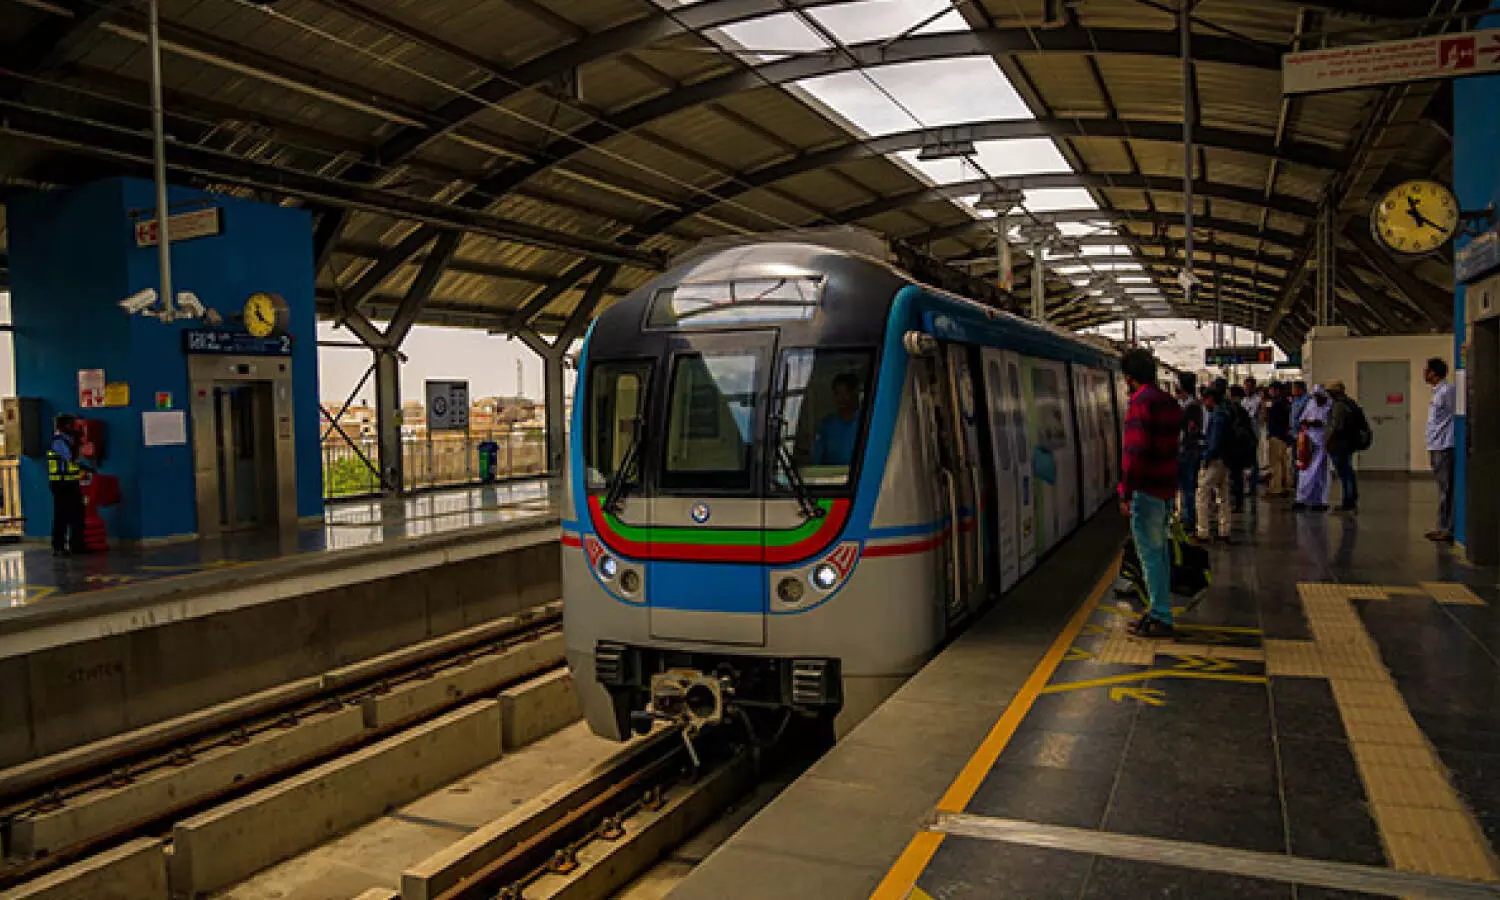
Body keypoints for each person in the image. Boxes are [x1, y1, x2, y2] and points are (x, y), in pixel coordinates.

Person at [1118, 349, 1181, 638]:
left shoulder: (1140, 403)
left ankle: (1160, 615)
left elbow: (1135, 451)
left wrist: (1125, 492)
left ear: (1130, 378)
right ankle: (1160, 608)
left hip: (1147, 491)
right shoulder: (1168, 402)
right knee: (1160, 553)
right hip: (1166, 487)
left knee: (1151, 555)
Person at [47, 414, 88, 556]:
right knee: (62, 516)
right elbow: (70, 456)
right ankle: (58, 546)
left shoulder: (69, 440)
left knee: (78, 514)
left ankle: (77, 545)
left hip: (72, 482)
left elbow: (75, 462)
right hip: (61, 483)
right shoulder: (58, 441)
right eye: (72, 425)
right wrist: (77, 442)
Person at [1196, 387, 1233, 543]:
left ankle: (1203, 532)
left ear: (1211, 399)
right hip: (1225, 460)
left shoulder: (1217, 417)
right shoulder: (1225, 414)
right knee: (1223, 496)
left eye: (1205, 399)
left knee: (1202, 494)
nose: (1204, 403)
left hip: (1214, 461)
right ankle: (1224, 531)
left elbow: (1214, 442)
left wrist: (1205, 457)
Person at [1425, 357, 1457, 542]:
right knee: (1442, 488)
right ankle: (1442, 525)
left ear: (1434, 373)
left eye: (1427, 370)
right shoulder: (1437, 392)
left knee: (1447, 489)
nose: (1424, 373)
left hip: (1444, 446)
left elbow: (1456, 415)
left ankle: (1446, 528)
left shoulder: (1447, 391)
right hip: (1435, 445)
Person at [1326, 381, 1366, 514]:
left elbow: (1336, 427)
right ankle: (1351, 500)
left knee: (1344, 474)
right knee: (1348, 472)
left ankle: (1348, 503)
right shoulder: (1350, 403)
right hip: (1349, 442)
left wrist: (1328, 441)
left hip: (1340, 443)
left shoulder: (1339, 406)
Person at [1294, 385, 1333, 511]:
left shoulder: (1329, 405)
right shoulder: (1311, 403)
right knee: (1305, 471)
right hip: (1308, 442)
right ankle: (1302, 499)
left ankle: (1319, 501)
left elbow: (1325, 423)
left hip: (1322, 443)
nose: (1317, 399)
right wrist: (1308, 423)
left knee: (1320, 473)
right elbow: (1302, 419)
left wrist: (1313, 423)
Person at [811, 372, 862, 467]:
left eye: (845, 393)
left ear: (855, 393)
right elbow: (816, 460)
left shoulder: (867, 423)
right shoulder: (826, 426)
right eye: (837, 394)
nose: (841, 398)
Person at [1175, 375, 1203, 533]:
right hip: (1187, 450)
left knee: (1187, 487)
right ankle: (1186, 517)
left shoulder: (1191, 407)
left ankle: (1188, 520)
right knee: (1186, 487)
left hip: (1187, 451)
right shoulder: (1192, 405)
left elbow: (1190, 429)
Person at [1265, 382, 1293, 498]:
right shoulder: (1287, 402)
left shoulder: (1275, 403)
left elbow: (1269, 419)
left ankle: (1276, 488)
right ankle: (1286, 485)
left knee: (1275, 463)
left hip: (1276, 435)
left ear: (1276, 390)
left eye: (1271, 389)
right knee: (1283, 462)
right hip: (1284, 436)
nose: (1269, 392)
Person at [1242, 377, 1264, 497]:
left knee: (1253, 460)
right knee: (1247, 459)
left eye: (1249, 386)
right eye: (1245, 386)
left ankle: (1253, 485)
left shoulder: (1257, 400)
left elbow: (1250, 415)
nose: (1247, 389)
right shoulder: (1244, 400)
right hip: (1244, 434)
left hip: (1253, 433)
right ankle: (1248, 484)